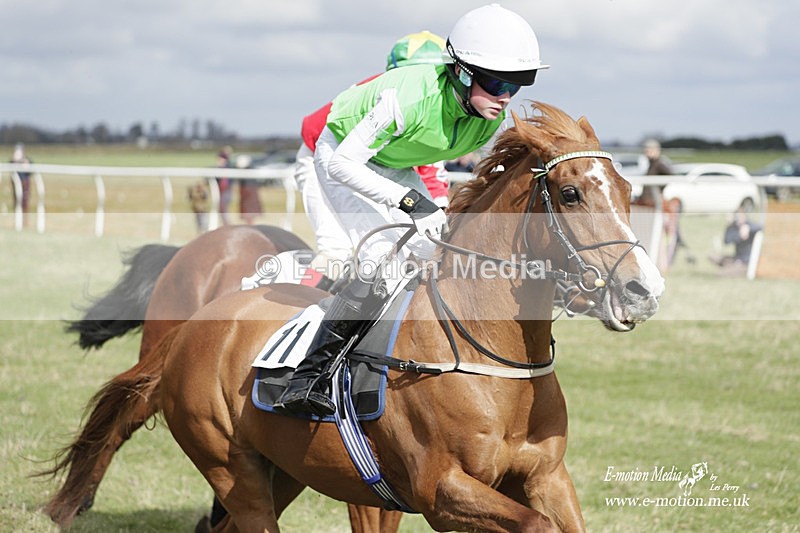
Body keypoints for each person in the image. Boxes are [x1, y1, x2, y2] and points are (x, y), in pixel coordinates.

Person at [275, 4, 548, 416]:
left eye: (516, 85)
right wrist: (410, 202)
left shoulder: (486, 118)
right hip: (339, 154)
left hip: (393, 164)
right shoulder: (407, 98)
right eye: (495, 83)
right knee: (379, 261)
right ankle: (307, 378)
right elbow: (342, 164)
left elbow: (437, 166)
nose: (505, 97)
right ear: (462, 72)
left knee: (436, 252)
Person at [293, 30, 450, 289]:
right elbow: (315, 132)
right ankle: (302, 304)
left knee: (411, 246)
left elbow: (432, 173)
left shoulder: (435, 108)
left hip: (374, 165)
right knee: (336, 251)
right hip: (321, 156)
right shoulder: (390, 96)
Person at [709, 209, 762, 276]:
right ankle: (731, 266)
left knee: (720, 274)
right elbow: (727, 241)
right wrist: (729, 225)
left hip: (746, 262)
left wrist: (749, 228)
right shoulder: (735, 227)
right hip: (737, 259)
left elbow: (761, 227)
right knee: (713, 256)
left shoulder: (750, 225)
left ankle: (734, 269)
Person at [235, 154, 263, 224]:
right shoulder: (248, 172)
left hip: (248, 198)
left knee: (249, 216)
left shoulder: (247, 173)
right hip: (247, 198)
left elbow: (248, 189)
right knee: (249, 217)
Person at [10, 143, 32, 226]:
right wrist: (15, 161)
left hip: (25, 184)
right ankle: (17, 221)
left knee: (25, 203)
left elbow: (30, 171)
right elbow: (10, 166)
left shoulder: (27, 160)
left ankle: (24, 222)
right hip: (16, 184)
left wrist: (25, 162)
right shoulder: (13, 161)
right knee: (16, 202)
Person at [215, 146, 233, 225]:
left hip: (226, 190)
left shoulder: (229, 167)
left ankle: (227, 224)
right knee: (221, 208)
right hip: (220, 190)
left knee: (223, 207)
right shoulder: (219, 168)